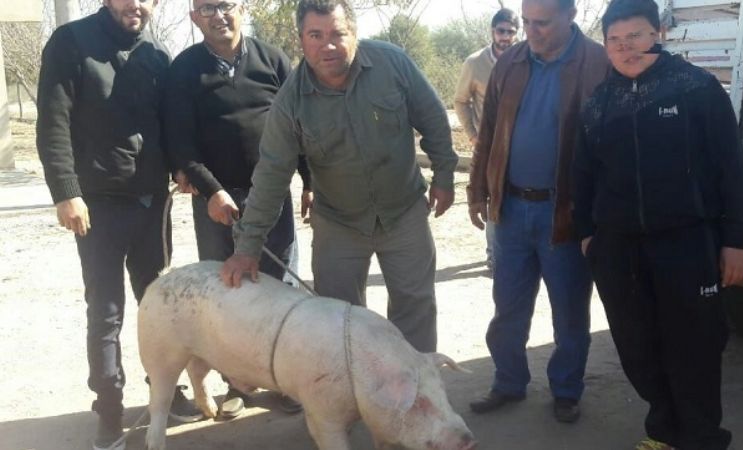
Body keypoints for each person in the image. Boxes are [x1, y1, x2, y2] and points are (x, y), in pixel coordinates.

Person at [220, 0, 457, 354]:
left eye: (337, 34)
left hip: (403, 212)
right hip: (338, 225)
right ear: (301, 39)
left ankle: (416, 386)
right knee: (338, 321)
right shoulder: (290, 102)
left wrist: (444, 175)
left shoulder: (392, 63)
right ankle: (353, 388)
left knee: (415, 309)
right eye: (315, 35)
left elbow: (434, 118)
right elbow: (271, 175)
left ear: (354, 34)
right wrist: (247, 248)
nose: (328, 45)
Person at [572, 0, 743, 448]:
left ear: (658, 34)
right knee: (637, 347)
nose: (625, 48)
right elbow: (583, 174)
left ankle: (702, 439)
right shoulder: (599, 103)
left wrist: (735, 239)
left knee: (695, 347)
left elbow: (732, 168)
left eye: (635, 35)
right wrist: (588, 234)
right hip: (618, 249)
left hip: (686, 244)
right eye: (615, 40)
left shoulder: (696, 89)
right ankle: (663, 433)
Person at [35, 1, 202, 449]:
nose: (137, 4)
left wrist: (180, 167)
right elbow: (53, 121)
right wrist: (66, 191)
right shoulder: (71, 43)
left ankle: (164, 391)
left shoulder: (156, 53)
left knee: (158, 307)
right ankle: (109, 409)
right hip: (98, 204)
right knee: (106, 311)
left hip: (151, 202)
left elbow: (167, 122)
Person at [163, 0, 310, 418]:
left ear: (242, 8)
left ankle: (284, 380)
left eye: (225, 4)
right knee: (227, 295)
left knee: (279, 289)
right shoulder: (184, 69)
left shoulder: (274, 60)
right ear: (194, 17)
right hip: (215, 203)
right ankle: (237, 385)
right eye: (207, 8)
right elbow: (180, 142)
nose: (218, 15)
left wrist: (310, 182)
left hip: (272, 197)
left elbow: (300, 126)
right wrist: (211, 190)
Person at [466, 0, 610, 422]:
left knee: (569, 310)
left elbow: (611, 146)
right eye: (527, 21)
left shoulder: (598, 63)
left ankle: (566, 390)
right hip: (511, 210)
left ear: (571, 16)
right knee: (508, 306)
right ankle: (508, 381)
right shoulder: (510, 62)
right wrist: (477, 190)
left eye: (542, 23)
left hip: (565, 212)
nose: (531, 31)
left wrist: (600, 216)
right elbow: (488, 131)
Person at [453, 7, 519, 273]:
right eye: (501, 31)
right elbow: (460, 101)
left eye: (511, 32)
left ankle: (513, 251)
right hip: (490, 147)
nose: (505, 37)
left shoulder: (523, 58)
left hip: (520, 145)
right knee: (493, 198)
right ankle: (494, 256)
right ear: (492, 31)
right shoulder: (475, 63)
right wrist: (473, 135)